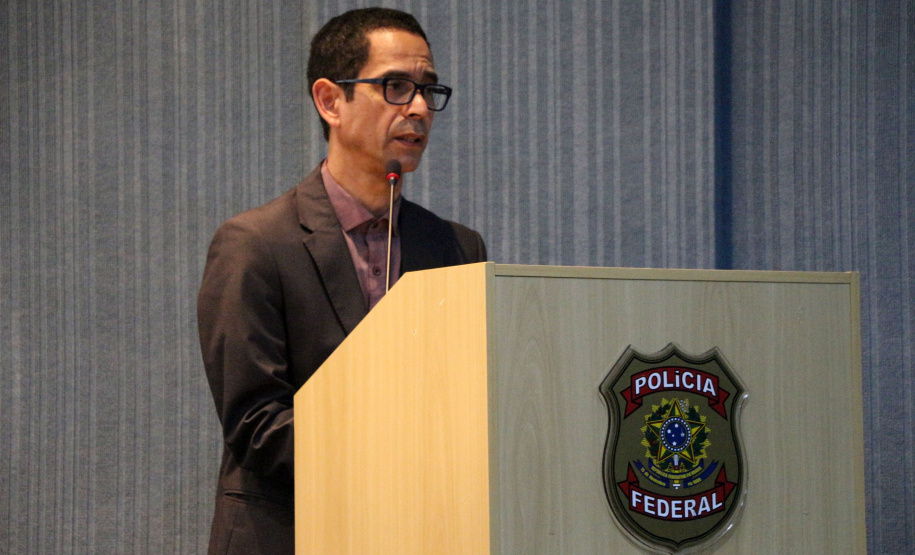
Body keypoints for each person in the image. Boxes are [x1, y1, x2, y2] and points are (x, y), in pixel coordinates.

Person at [196, 7, 487, 555]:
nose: (420, 108)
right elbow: (257, 425)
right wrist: (399, 455)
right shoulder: (255, 244)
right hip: (291, 534)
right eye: (396, 87)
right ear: (330, 100)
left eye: (429, 89)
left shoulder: (456, 248)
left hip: (419, 536)